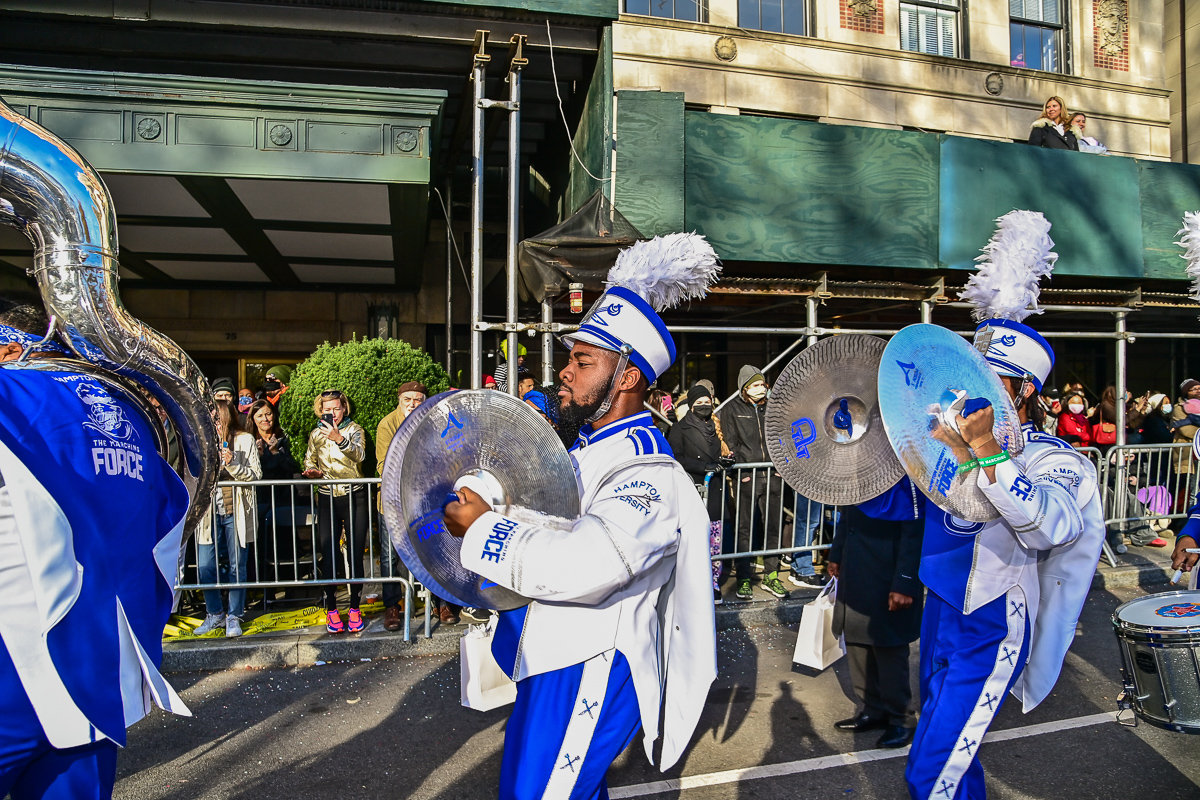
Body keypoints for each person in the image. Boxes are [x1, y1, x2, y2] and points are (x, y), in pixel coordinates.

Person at [443, 233, 718, 800]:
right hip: (556, 657)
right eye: (571, 358)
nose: (565, 371)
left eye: (582, 361)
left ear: (627, 377)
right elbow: (540, 514)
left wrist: (484, 528)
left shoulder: (647, 470)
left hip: (590, 662)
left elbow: (587, 563)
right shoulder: (587, 447)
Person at [905, 315, 1104, 800]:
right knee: (956, 759)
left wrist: (986, 448)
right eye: (970, 376)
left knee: (932, 771)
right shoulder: (942, 444)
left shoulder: (1053, 457)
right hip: (940, 607)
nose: (972, 390)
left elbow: (1053, 526)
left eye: (992, 379)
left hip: (992, 617)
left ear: (1024, 391)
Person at [0, 296, 191, 797]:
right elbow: (165, 517)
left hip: (13, 668)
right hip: (94, 671)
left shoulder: (9, 395)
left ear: (10, 349)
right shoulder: (128, 413)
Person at [828, 478, 925, 750]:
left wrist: (905, 582)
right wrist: (837, 553)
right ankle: (872, 709)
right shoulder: (858, 471)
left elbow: (915, 531)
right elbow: (847, 515)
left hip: (888, 571)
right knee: (857, 641)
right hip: (857, 564)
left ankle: (901, 718)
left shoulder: (907, 475)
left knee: (888, 646)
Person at [719, 366, 792, 600]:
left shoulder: (772, 407)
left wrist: (779, 468)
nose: (761, 389)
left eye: (762, 384)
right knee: (745, 529)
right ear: (745, 388)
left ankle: (772, 576)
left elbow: (782, 438)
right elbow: (731, 441)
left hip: (772, 475)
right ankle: (743, 578)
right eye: (755, 385)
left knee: (773, 527)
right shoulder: (732, 409)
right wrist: (742, 470)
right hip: (747, 476)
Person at [301, 389, 368, 634]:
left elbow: (360, 455)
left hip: (354, 495)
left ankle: (355, 608)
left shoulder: (355, 429)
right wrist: (312, 472)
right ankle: (331, 609)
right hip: (327, 496)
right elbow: (309, 461)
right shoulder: (315, 434)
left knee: (355, 553)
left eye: (336, 409)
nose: (332, 414)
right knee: (328, 553)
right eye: (327, 410)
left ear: (344, 408)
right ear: (321, 411)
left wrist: (339, 438)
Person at [193, 399, 261, 638]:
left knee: (237, 564)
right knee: (205, 564)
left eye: (216, 418)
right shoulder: (201, 440)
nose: (214, 423)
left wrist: (232, 463)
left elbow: (255, 475)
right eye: (210, 418)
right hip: (208, 511)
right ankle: (214, 613)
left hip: (237, 509)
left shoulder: (245, 439)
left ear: (226, 417)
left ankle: (234, 614)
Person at [375, 381, 428, 631]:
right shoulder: (387, 424)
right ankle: (392, 605)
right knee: (389, 555)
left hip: (422, 499)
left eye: (418, 399)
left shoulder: (430, 420)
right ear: (399, 401)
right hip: (392, 500)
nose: (413, 404)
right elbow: (383, 465)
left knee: (428, 548)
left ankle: (436, 602)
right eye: (408, 399)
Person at [244, 399, 299, 580]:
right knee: (260, 542)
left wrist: (276, 452)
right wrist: (258, 456)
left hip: (283, 498)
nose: (265, 419)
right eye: (260, 415)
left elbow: (294, 467)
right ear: (253, 419)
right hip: (259, 499)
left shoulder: (285, 438)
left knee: (285, 542)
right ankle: (263, 583)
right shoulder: (248, 440)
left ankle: (289, 583)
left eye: (268, 414)